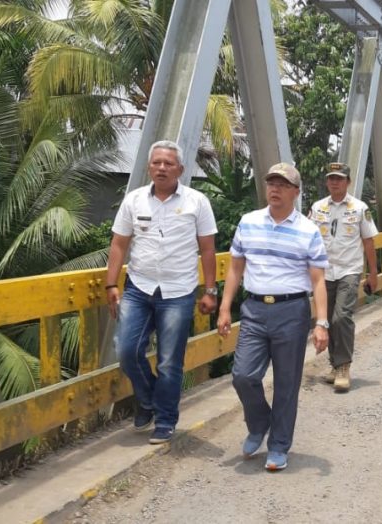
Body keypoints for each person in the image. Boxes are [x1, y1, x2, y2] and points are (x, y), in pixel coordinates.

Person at [217, 162, 330, 472]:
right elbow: (236, 267)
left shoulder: (308, 230)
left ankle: (279, 445)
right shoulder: (248, 222)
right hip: (253, 309)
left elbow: (318, 279)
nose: (275, 189)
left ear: (295, 192)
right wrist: (225, 307)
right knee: (243, 375)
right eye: (271, 183)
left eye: (283, 184)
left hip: (292, 311)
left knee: (287, 383)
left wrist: (321, 323)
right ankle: (259, 422)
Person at [105, 140, 219, 445]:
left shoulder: (197, 202)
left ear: (180, 169)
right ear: (148, 167)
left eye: (168, 164)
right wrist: (110, 283)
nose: (161, 168)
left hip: (179, 291)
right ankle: (147, 401)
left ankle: (165, 420)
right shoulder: (134, 200)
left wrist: (210, 290)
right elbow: (119, 243)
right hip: (138, 288)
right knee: (126, 351)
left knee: (170, 361)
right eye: (156, 163)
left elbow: (208, 250)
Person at [308, 162, 378, 392]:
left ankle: (344, 366)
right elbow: (307, 238)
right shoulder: (317, 207)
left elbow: (369, 241)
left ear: (348, 182)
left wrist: (372, 274)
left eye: (339, 178)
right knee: (326, 319)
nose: (335, 182)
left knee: (341, 318)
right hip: (324, 272)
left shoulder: (359, 208)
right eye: (331, 178)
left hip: (349, 270)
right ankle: (335, 364)